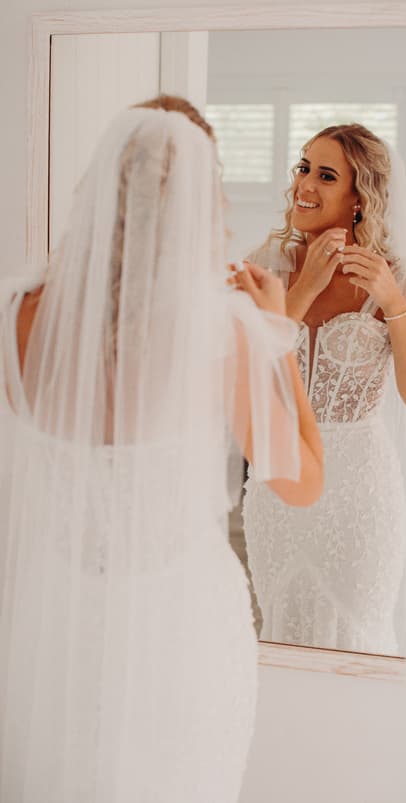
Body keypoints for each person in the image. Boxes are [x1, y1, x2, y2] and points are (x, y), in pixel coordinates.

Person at [0, 96, 323, 802]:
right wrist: (276, 336)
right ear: (199, 205)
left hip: (60, 620)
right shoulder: (219, 331)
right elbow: (304, 482)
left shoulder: (16, 313)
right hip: (181, 625)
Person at [241, 123, 406, 655]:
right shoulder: (263, 268)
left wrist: (394, 304)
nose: (305, 185)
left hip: (360, 492)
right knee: (282, 633)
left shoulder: (398, 276)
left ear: (360, 197)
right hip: (280, 484)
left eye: (325, 175)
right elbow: (245, 378)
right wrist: (303, 290)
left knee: (358, 636)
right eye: (303, 168)